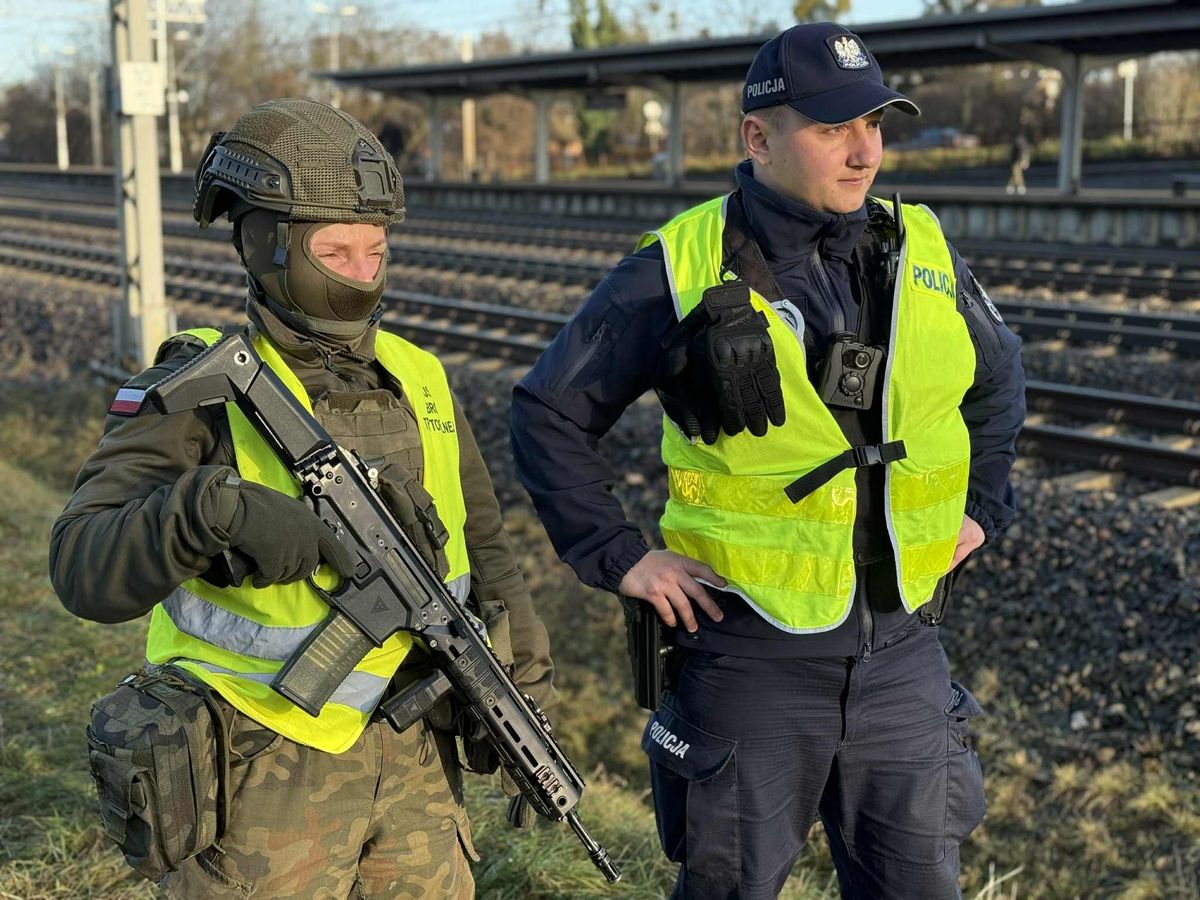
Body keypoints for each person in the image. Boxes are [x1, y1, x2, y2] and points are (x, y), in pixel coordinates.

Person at [511, 22, 1024, 900]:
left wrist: (979, 505)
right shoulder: (677, 265)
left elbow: (999, 377)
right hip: (749, 658)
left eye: (875, 124)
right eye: (832, 128)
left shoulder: (922, 248)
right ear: (758, 137)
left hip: (903, 652)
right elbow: (547, 411)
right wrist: (620, 556)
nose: (865, 152)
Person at [51, 98, 556, 899]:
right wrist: (212, 511)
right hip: (257, 769)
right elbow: (81, 567)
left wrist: (523, 685)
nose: (361, 272)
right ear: (268, 247)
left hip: (419, 763)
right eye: (334, 250)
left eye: (375, 250)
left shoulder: (421, 376)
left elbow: (485, 549)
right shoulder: (199, 390)